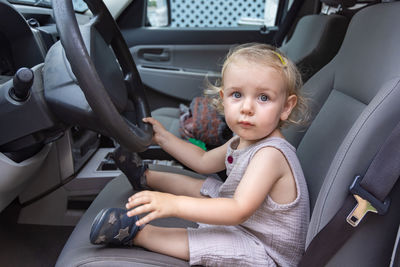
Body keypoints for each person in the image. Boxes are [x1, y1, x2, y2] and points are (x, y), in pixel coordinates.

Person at [89, 43, 310, 266]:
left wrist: (174, 204)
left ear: (285, 107)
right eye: (237, 95)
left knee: (214, 242)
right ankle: (145, 177)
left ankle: (135, 233)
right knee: (207, 188)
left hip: (265, 251)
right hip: (247, 224)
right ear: (224, 99)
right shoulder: (243, 140)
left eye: (263, 98)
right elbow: (203, 161)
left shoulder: (270, 154)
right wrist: (164, 138)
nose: (247, 107)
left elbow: (238, 210)